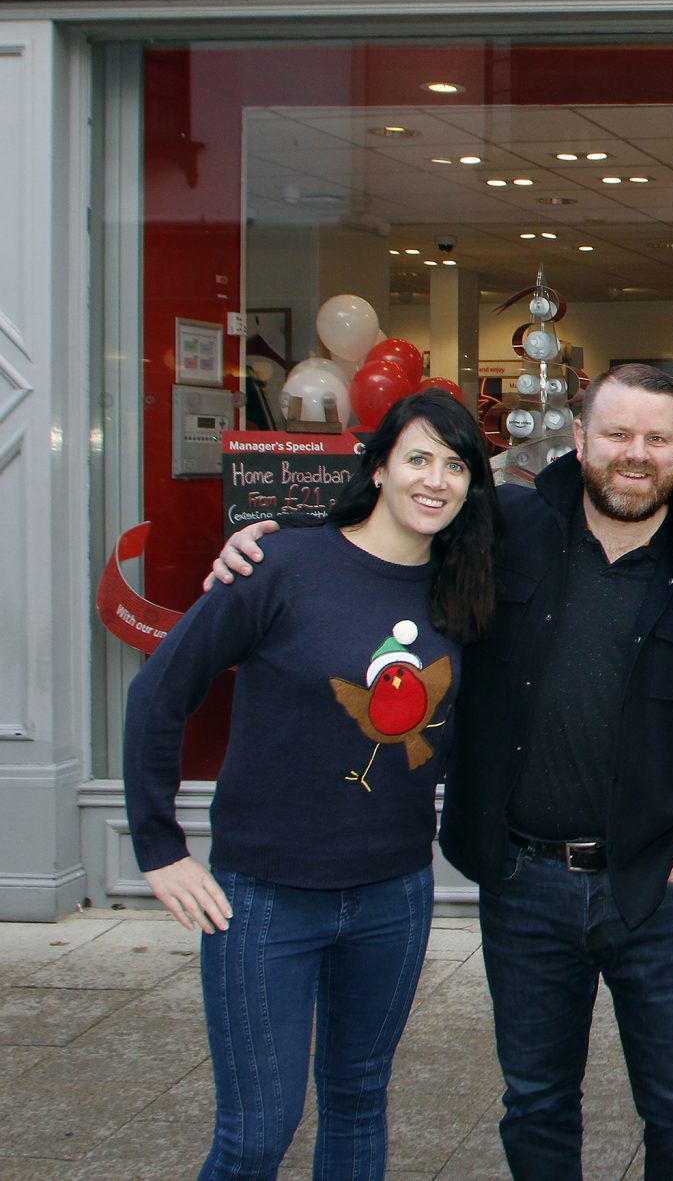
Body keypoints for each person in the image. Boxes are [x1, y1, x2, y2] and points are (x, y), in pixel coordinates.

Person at [210, 363, 673, 1181]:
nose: (636, 453)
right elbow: (394, 525)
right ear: (581, 437)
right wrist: (280, 532)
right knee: (537, 1099)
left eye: (656, 437)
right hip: (523, 881)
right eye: (617, 433)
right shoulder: (507, 525)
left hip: (661, 886)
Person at [128, 389, 499, 1179]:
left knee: (360, 1098)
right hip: (265, 894)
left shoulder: (463, 590)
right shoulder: (283, 562)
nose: (437, 479)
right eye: (420, 457)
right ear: (379, 467)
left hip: (392, 892)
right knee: (257, 1132)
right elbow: (159, 693)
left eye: (457, 464)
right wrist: (160, 847)